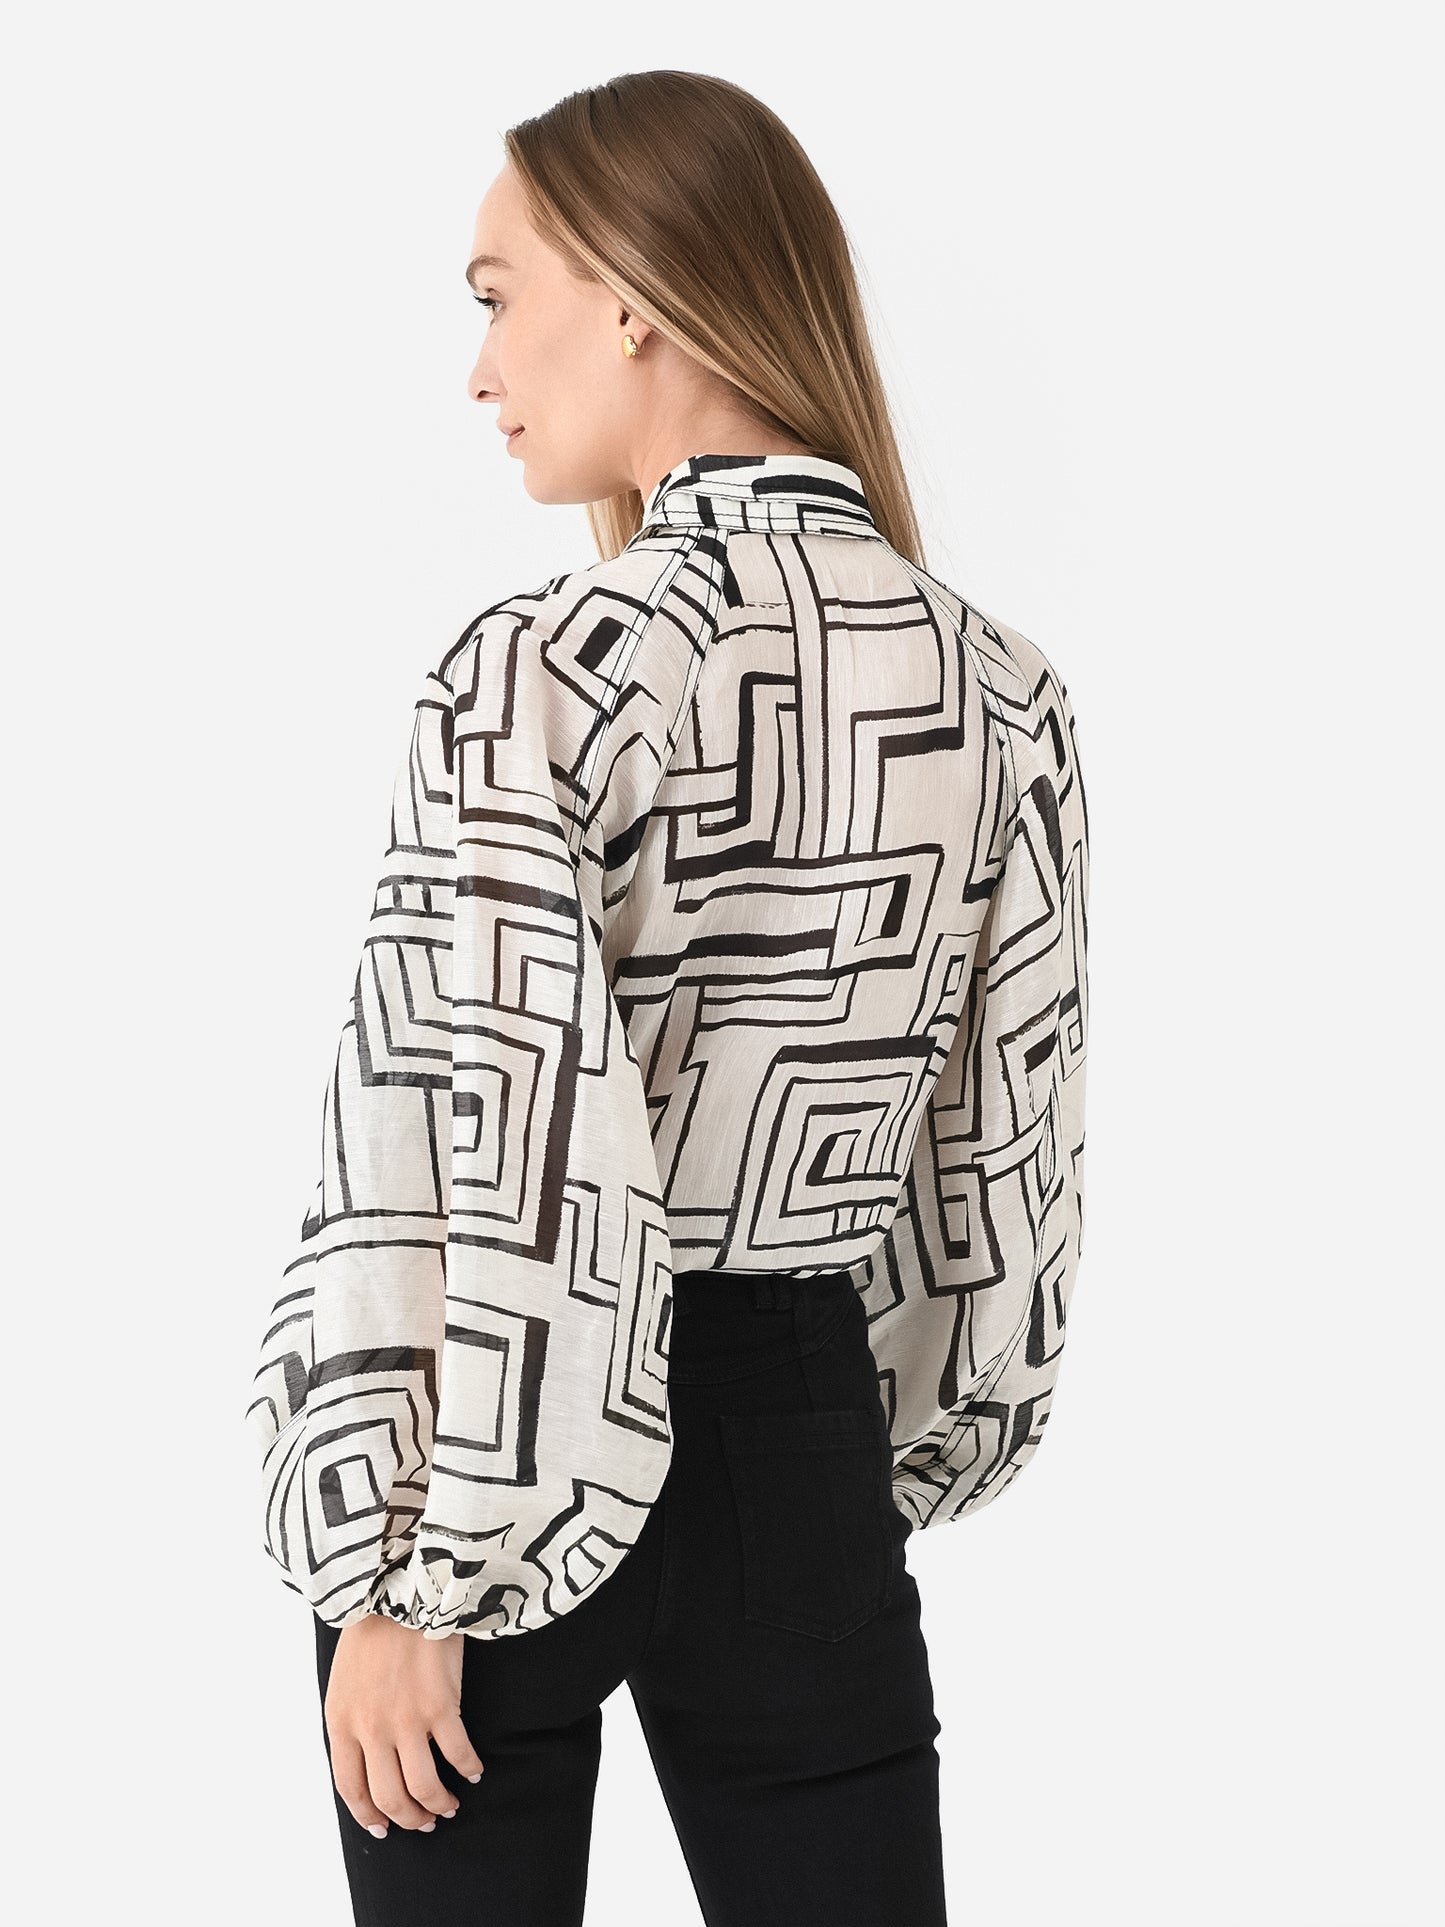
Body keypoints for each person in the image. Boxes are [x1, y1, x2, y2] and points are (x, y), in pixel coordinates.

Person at [245, 68, 1090, 1927]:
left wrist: (400, 1575)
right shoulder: (999, 688)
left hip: (500, 1440)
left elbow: (466, 1141)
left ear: (632, 297)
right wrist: (877, 1461)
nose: (479, 369)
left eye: (495, 297)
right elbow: (1000, 1160)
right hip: (799, 1437)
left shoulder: (539, 670)